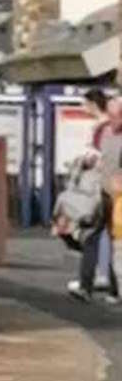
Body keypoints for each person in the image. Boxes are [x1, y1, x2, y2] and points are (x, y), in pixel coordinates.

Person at [74, 96, 122, 302]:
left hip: (119, 196)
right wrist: (89, 161)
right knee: (92, 236)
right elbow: (94, 154)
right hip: (100, 192)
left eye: (117, 116)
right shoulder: (102, 130)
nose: (113, 120)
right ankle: (85, 286)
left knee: (117, 241)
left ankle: (114, 288)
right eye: (111, 115)